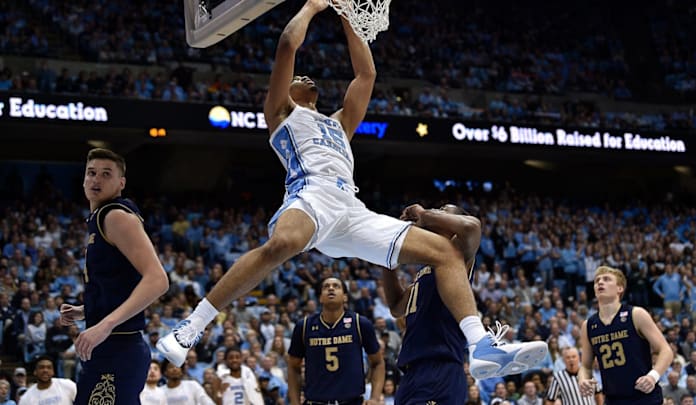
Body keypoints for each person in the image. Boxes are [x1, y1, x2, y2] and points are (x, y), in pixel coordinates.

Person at [158, 3, 546, 380]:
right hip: (311, 195)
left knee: (446, 252)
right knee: (281, 244)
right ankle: (191, 327)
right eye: (300, 78)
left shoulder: (339, 123)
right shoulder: (280, 114)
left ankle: (480, 347)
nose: (307, 78)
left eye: (310, 77)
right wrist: (312, 7)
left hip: (351, 208)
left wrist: (346, 13)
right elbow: (287, 46)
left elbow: (366, 76)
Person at [383, 203, 542, 403]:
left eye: (442, 210)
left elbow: (472, 227)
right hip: (411, 373)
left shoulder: (458, 255)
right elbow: (397, 307)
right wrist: (386, 259)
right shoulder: (425, 272)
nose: (436, 211)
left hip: (440, 370)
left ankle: (485, 346)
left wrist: (424, 215)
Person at [60, 148, 170, 404]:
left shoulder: (116, 216)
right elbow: (120, 285)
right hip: (111, 347)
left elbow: (158, 280)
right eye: (91, 173)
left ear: (121, 183)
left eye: (106, 174)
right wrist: (87, 310)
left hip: (119, 346)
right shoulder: (100, 218)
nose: (96, 179)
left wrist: (105, 324)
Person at [579, 266, 673, 404]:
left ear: (620, 288)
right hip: (613, 399)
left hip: (644, 396)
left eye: (606, 279)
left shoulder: (636, 314)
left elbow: (666, 350)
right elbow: (586, 366)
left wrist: (653, 376)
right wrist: (583, 380)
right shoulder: (588, 325)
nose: (600, 282)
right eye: (597, 280)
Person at [287, 277, 384, 405]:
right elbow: (293, 367)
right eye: (326, 287)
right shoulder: (304, 326)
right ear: (320, 297)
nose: (331, 288)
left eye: (336, 286)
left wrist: (375, 398)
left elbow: (378, 363)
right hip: (315, 401)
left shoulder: (360, 324)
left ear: (345, 297)